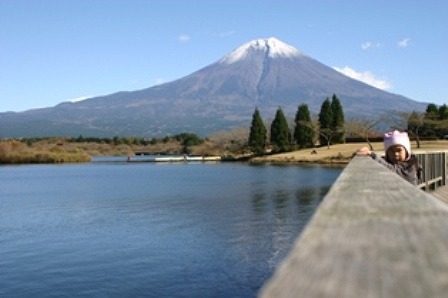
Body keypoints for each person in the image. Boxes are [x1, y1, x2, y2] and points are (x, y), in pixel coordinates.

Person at [356, 130, 421, 185]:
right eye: (391, 151)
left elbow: (393, 170)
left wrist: (372, 155)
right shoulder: (390, 162)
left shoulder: (411, 166)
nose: (396, 154)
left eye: (399, 150)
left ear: (407, 152)